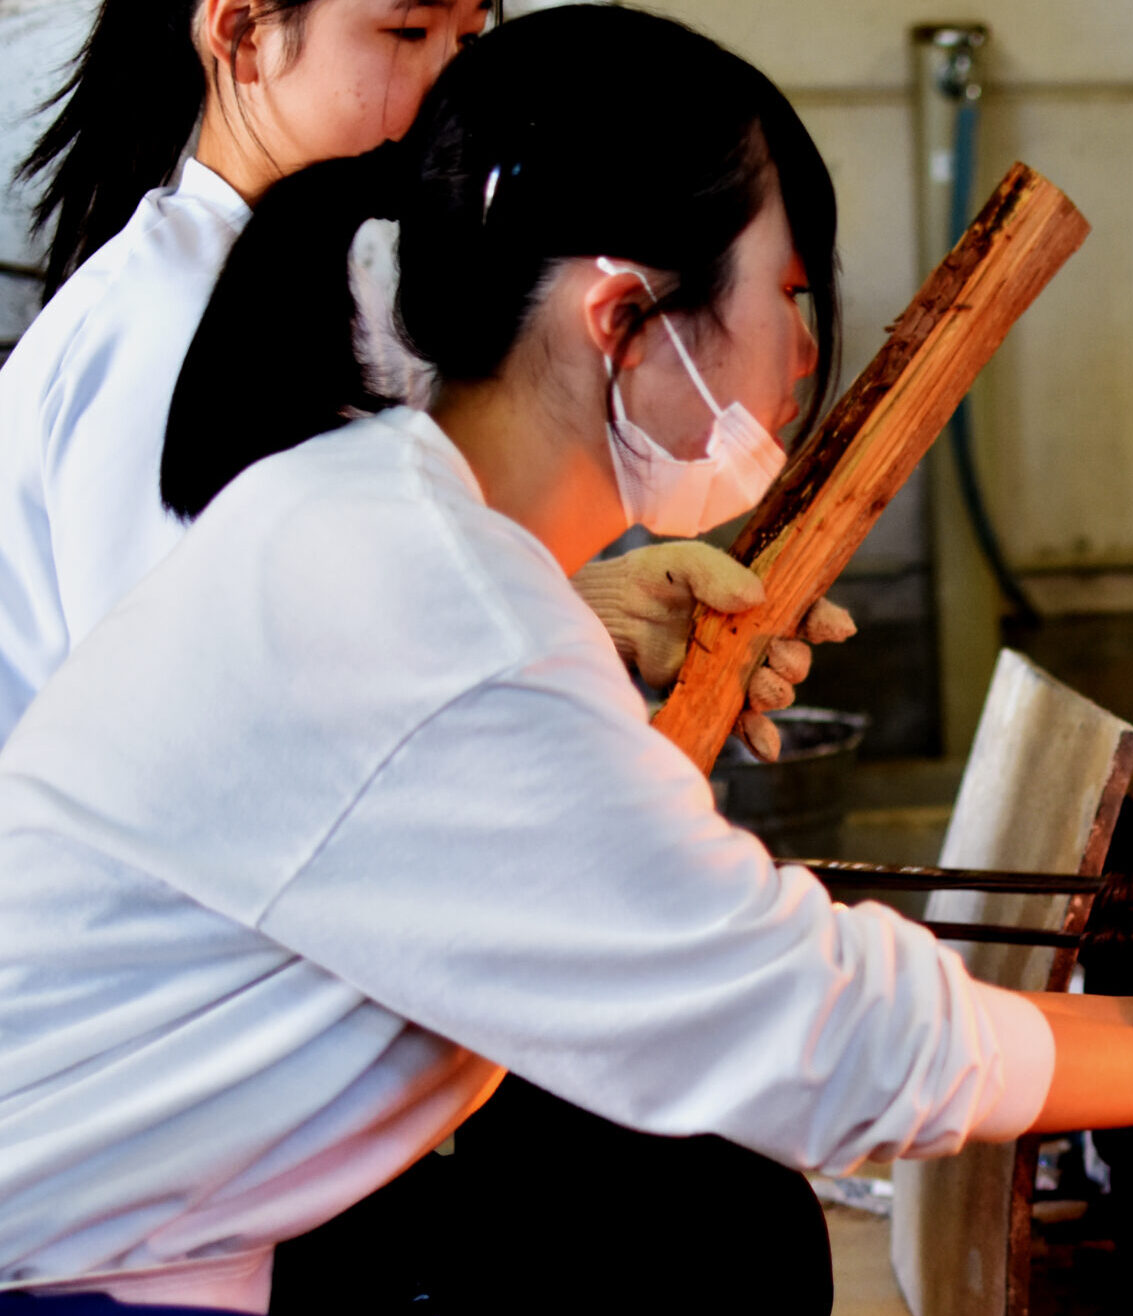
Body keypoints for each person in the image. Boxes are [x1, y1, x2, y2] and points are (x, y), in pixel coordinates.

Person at [0, 9, 1133, 1316]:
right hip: (52, 1301)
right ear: (624, 318)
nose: (806, 349)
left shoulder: (401, 524)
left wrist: (594, 631)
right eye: (789, 289)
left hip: (135, 1257)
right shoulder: (429, 596)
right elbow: (819, 1035)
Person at [2, 0, 835, 759]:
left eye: (470, 39)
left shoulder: (348, 293)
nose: (450, 81)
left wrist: (583, 604)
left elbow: (326, 628)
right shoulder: (170, 331)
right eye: (406, 33)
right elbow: (220, 725)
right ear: (242, 34)